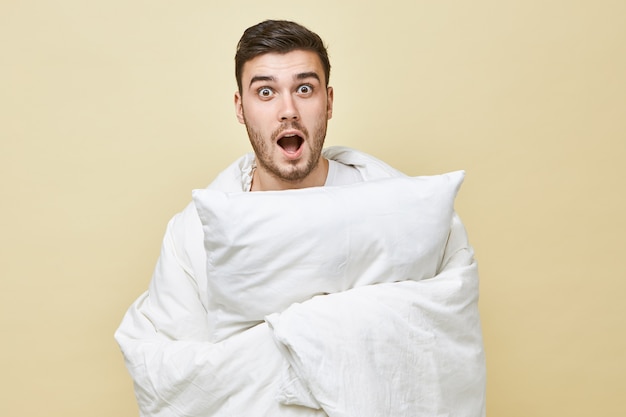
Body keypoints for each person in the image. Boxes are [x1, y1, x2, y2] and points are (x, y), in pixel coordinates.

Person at [115, 20, 486, 417]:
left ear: (328, 101)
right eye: (266, 92)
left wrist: (282, 337)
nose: (288, 111)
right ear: (241, 108)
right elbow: (173, 380)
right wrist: (341, 332)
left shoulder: (405, 211)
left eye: (304, 89)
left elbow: (442, 345)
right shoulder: (191, 236)